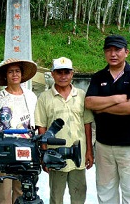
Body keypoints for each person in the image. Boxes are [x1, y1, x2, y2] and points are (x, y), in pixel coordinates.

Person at [85, 35, 130, 204]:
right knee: (105, 193)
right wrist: (117, 99)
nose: (113, 54)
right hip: (104, 145)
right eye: (108, 50)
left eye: (117, 50)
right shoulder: (99, 77)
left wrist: (101, 106)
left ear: (126, 52)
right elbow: (89, 102)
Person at [35, 57, 94, 204]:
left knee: (79, 195)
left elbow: (87, 124)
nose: (63, 76)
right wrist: (44, 154)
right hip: (55, 156)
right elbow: (41, 127)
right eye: (59, 72)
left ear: (72, 74)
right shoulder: (44, 97)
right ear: (52, 74)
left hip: (78, 155)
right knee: (56, 198)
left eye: (66, 72)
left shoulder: (81, 95)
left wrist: (89, 151)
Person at [0, 58, 38, 204]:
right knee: (3, 194)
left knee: (22, 191)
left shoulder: (30, 96)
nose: (14, 74)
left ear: (22, 74)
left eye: (17, 71)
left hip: (25, 151)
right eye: (10, 72)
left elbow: (35, 125)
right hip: (4, 152)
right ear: (5, 75)